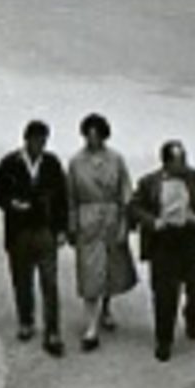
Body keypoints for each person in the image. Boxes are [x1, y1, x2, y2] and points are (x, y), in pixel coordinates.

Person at [129, 140, 195, 361]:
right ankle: (164, 340)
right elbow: (134, 206)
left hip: (189, 238)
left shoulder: (194, 177)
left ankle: (192, 317)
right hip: (163, 240)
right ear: (166, 162)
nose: (183, 164)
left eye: (184, 159)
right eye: (179, 160)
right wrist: (152, 221)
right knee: (164, 294)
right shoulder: (149, 182)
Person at [0, 120, 69, 357]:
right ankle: (26, 321)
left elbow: (62, 198)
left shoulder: (52, 163)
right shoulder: (10, 163)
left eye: (43, 141)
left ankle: (53, 331)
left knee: (50, 282)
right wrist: (10, 204)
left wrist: (62, 230)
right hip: (18, 232)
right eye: (36, 140)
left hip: (45, 231)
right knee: (22, 280)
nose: (40, 145)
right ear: (26, 140)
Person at [67, 113, 137, 350]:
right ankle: (91, 327)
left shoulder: (116, 159)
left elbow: (126, 193)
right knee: (89, 272)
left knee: (110, 269)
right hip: (87, 221)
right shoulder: (76, 162)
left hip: (111, 219)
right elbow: (71, 197)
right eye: (88, 134)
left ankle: (106, 309)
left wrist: (125, 224)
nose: (92, 138)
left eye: (97, 134)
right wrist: (72, 225)